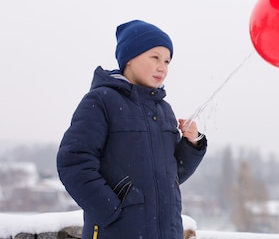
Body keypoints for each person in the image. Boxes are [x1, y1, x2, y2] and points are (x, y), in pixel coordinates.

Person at [57, 19, 207, 239]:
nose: (162, 67)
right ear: (129, 59)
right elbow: (73, 162)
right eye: (154, 57)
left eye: (167, 61)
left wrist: (191, 144)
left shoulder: (164, 110)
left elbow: (171, 174)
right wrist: (110, 211)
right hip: (117, 231)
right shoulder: (101, 101)